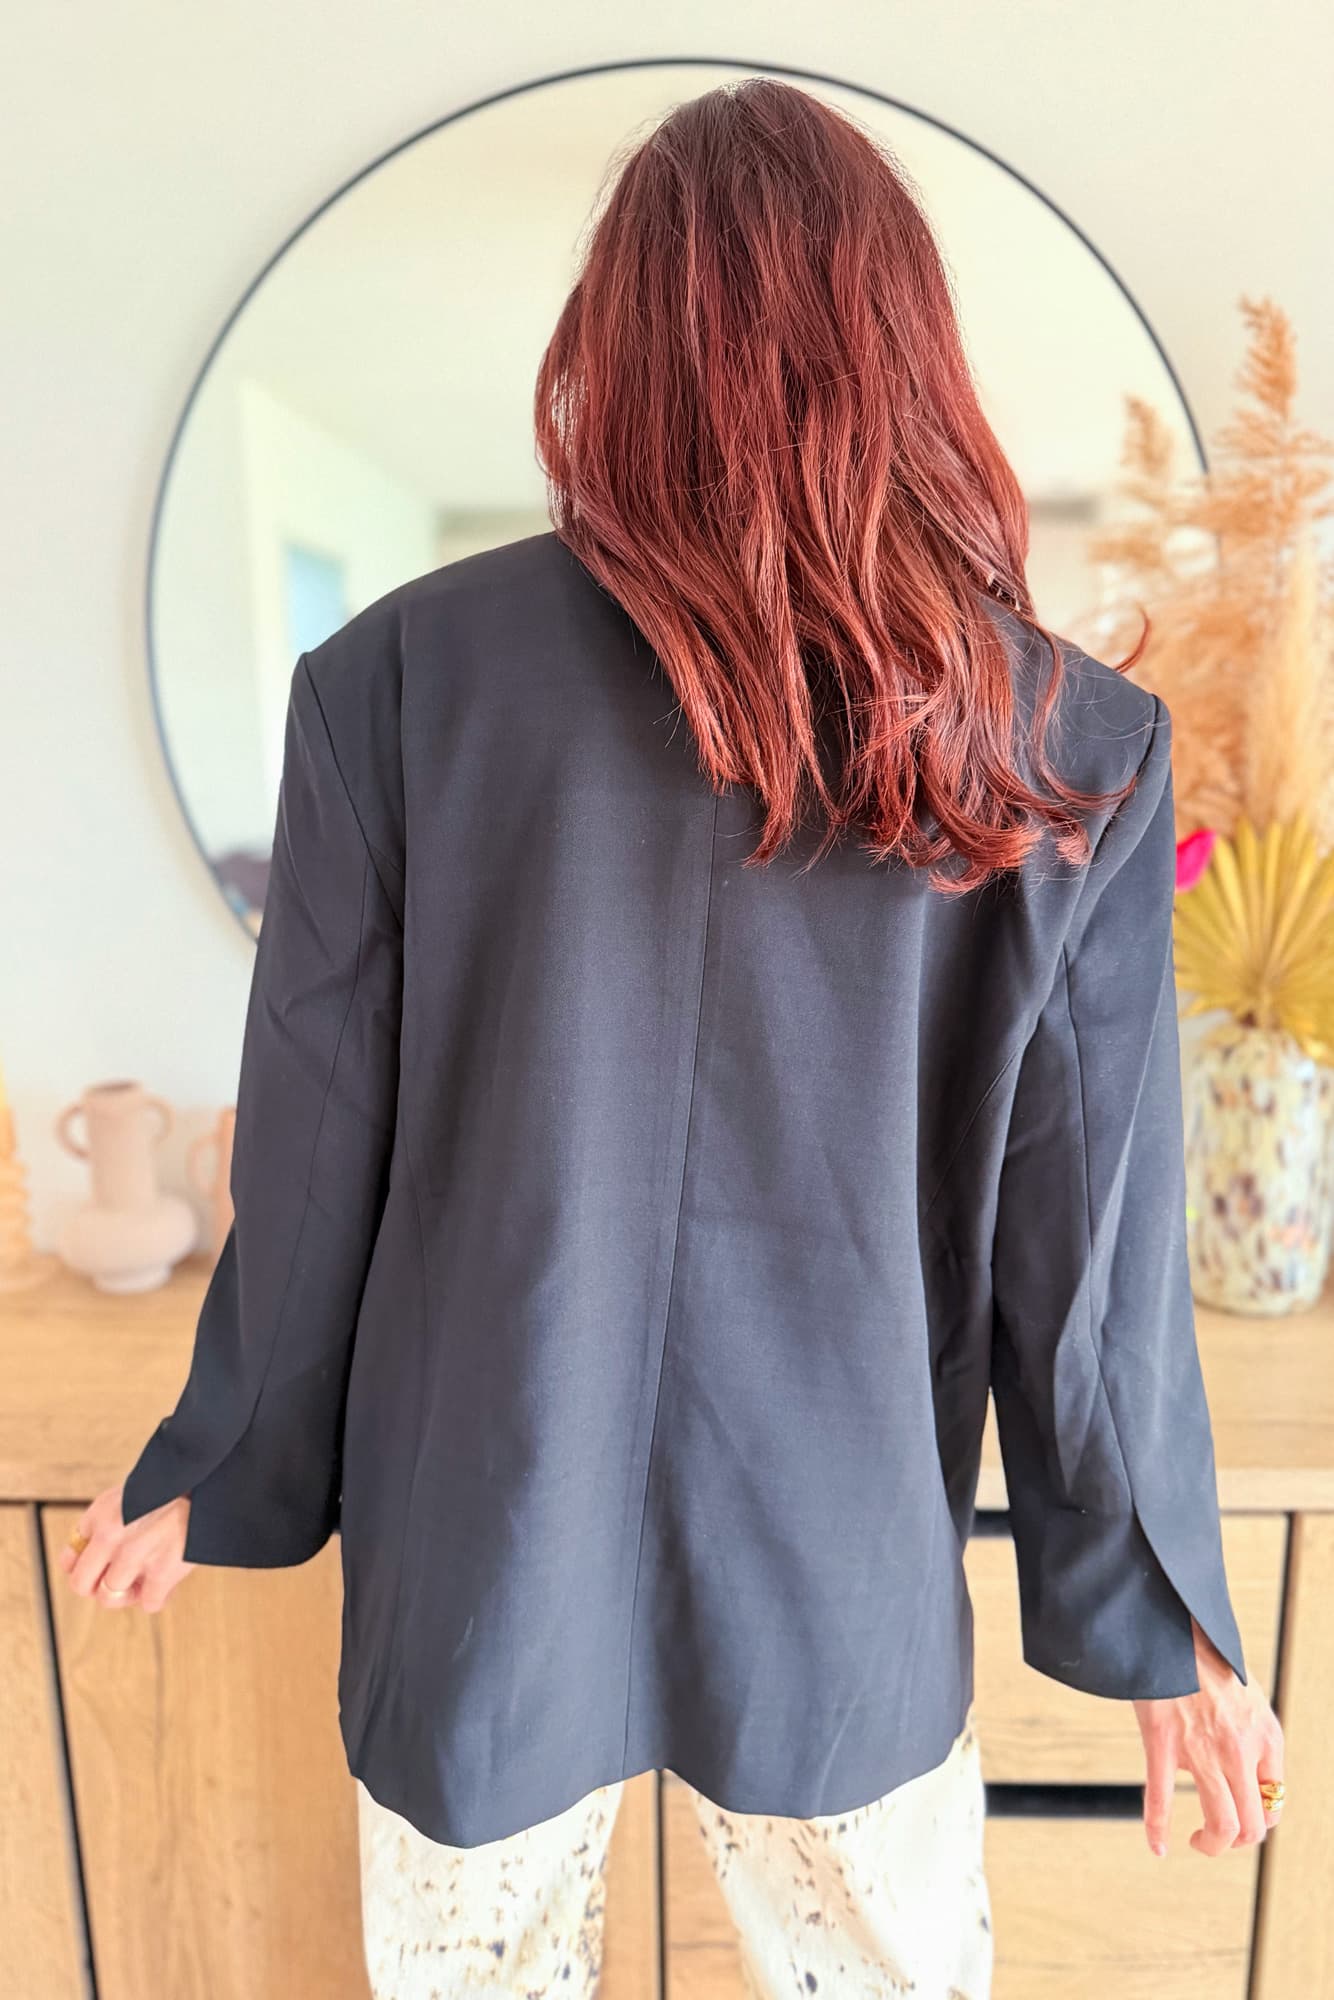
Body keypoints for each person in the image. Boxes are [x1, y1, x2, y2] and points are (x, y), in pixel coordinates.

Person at [58, 76, 1284, 2000]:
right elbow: (1090, 1242)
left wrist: (228, 1453)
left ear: (610, 342)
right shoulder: (1057, 738)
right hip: (838, 1548)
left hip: (489, 1517)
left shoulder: (395, 682)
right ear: (901, 344)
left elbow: (311, 1140)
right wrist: (1157, 1614)